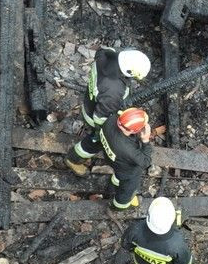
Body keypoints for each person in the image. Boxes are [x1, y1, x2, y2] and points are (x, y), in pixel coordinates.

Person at [64, 48, 151, 176]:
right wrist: (104, 133)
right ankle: (73, 159)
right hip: (95, 116)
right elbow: (100, 117)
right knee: (94, 142)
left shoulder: (106, 53)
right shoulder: (113, 92)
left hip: (90, 103)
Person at [99, 107, 153, 210]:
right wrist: (145, 141)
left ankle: (113, 185)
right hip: (127, 172)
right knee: (127, 190)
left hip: (112, 160)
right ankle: (119, 206)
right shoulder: (128, 150)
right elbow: (145, 161)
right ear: (133, 130)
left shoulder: (111, 120)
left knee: (118, 175)